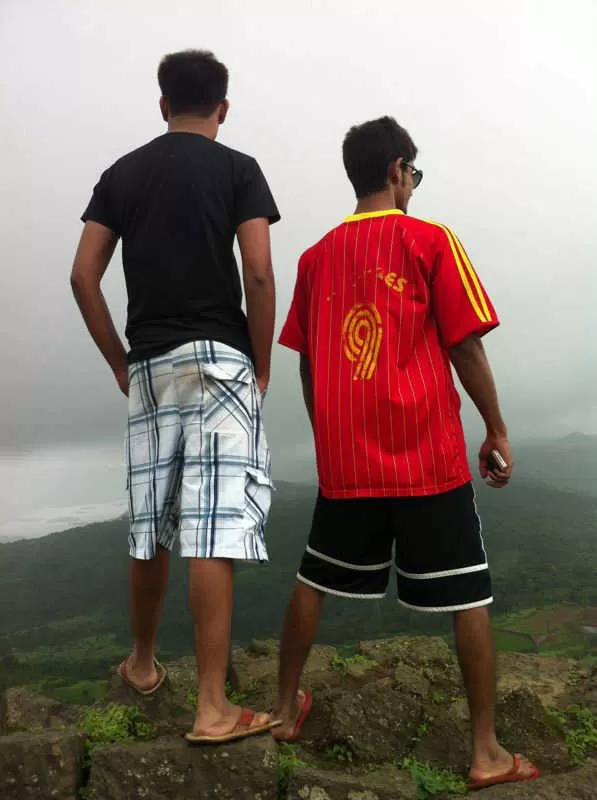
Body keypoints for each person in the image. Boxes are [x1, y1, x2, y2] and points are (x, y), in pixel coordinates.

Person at [274, 116, 539, 790]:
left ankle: (282, 709)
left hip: (347, 463)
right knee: (468, 595)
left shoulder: (314, 258)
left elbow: (307, 363)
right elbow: (464, 343)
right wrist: (496, 427)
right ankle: (485, 753)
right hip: (426, 454)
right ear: (396, 170)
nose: (413, 186)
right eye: (412, 174)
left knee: (314, 578)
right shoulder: (428, 240)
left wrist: (327, 433)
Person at [70, 49, 280, 743]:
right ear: (224, 108)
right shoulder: (238, 168)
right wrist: (259, 363)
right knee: (211, 527)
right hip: (221, 359)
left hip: (150, 363)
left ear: (162, 105)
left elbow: (82, 276)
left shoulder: (122, 174)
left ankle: (141, 663)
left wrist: (119, 362)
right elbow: (257, 271)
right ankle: (212, 706)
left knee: (150, 519)